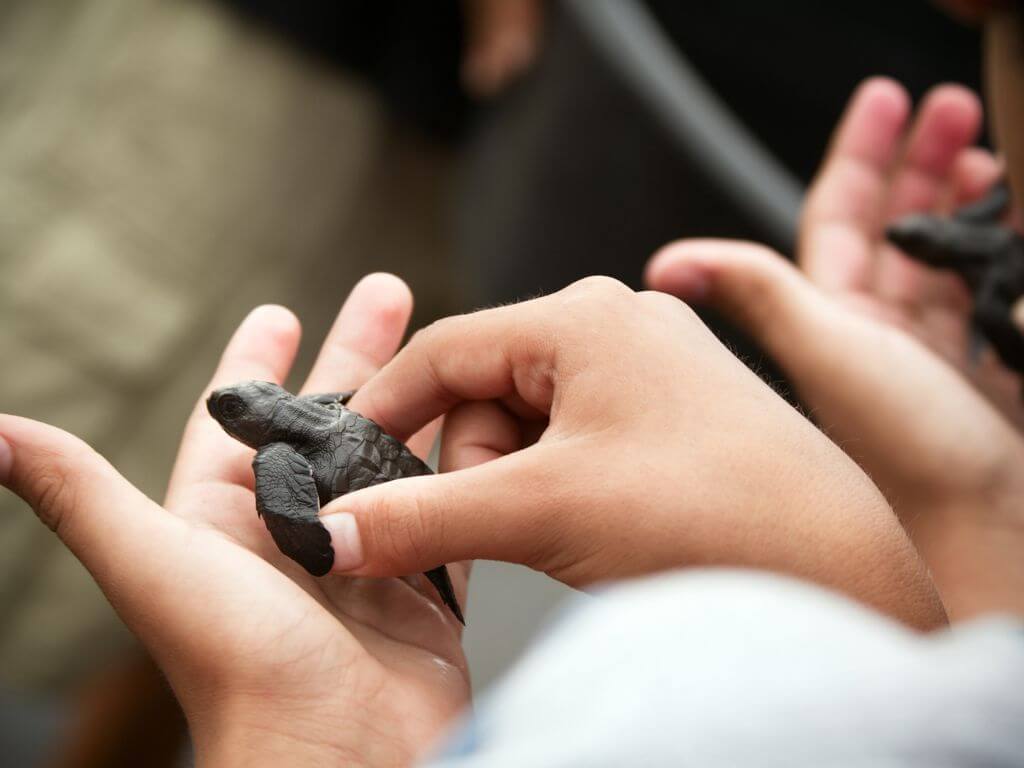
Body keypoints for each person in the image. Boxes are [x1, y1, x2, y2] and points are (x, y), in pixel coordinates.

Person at [2, 76, 1024, 765]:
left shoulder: (707, 706)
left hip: (386, 514)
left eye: (240, 413)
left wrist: (297, 733)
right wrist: (960, 528)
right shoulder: (309, 418)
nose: (236, 416)